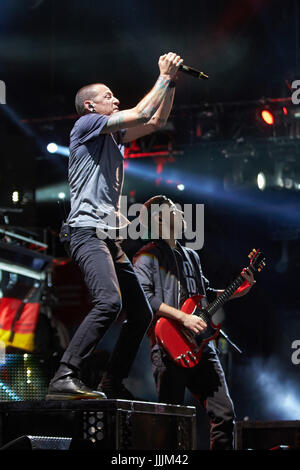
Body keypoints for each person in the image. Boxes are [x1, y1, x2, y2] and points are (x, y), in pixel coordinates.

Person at [46, 53, 184, 400]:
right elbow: (139, 112)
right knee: (109, 302)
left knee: (140, 313)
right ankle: (65, 375)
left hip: (105, 235)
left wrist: (172, 85)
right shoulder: (84, 126)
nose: (116, 99)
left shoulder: (113, 138)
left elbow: (153, 121)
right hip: (84, 231)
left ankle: (111, 381)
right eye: (109, 96)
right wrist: (163, 75)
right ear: (90, 106)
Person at [133, 195, 256, 449]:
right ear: (158, 218)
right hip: (167, 347)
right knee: (172, 423)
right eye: (175, 211)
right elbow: (144, 298)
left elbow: (206, 295)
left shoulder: (191, 256)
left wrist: (239, 290)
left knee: (224, 415)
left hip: (201, 346)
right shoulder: (145, 257)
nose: (181, 214)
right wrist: (183, 318)